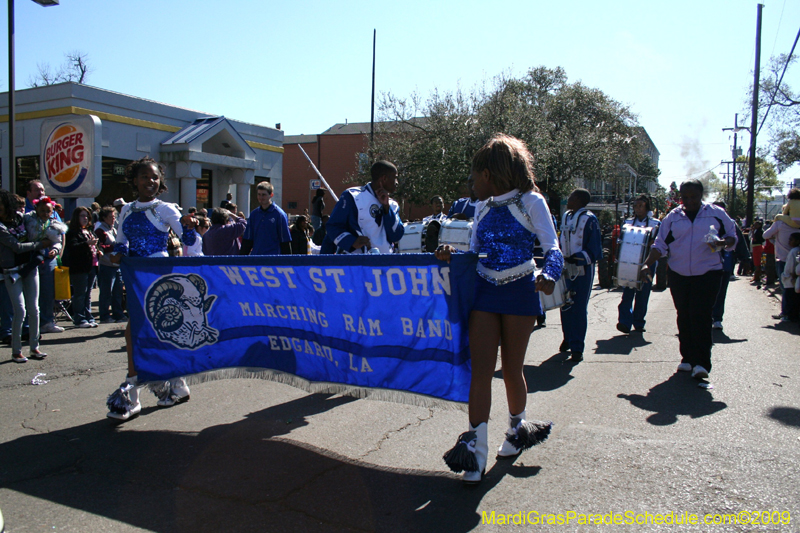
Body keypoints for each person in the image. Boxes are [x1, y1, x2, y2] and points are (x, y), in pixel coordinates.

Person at [436, 134, 561, 484]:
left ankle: (518, 429)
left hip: (521, 290)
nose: (471, 183)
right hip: (485, 291)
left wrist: (549, 275)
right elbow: (474, 254)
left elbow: (553, 247)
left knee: (511, 370)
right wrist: (451, 254)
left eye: (474, 176)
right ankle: (475, 455)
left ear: (488, 174)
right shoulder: (481, 208)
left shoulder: (531, 201)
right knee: (480, 372)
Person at [105, 157, 200, 421]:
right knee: (152, 333)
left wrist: (189, 226)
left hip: (159, 278)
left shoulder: (166, 208)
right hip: (135, 278)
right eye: (145, 176)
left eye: (155, 177)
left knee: (139, 333)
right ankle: (177, 385)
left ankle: (132, 392)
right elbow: (122, 243)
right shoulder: (126, 210)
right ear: (134, 180)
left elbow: (189, 239)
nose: (151, 181)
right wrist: (117, 254)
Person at [640, 179, 737, 382]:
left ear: (701, 195)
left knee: (700, 315)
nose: (689, 201)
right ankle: (687, 358)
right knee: (683, 314)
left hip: (708, 273)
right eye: (685, 197)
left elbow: (732, 236)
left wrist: (722, 243)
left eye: (693, 197)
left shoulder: (716, 214)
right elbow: (660, 244)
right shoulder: (672, 217)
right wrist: (648, 263)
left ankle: (702, 363)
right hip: (679, 273)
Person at [0, 189, 52, 362]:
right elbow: (16, 246)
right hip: (11, 271)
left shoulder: (21, 218)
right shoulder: (0, 227)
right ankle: (16, 351)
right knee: (20, 310)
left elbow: (42, 220)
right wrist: (39, 245)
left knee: (34, 309)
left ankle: (34, 347)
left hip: (30, 267)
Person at [321, 161, 405, 254]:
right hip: (355, 261)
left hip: (383, 262)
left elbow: (396, 236)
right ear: (384, 178)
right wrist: (351, 241)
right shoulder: (352, 196)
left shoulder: (392, 205)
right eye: (395, 178)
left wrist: (386, 207)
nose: (397, 182)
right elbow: (333, 226)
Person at [559, 188, 603, 362]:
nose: (568, 199)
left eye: (570, 196)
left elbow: (595, 249)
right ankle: (567, 338)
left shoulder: (590, 219)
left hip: (582, 269)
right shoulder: (566, 216)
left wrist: (577, 258)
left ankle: (577, 346)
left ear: (577, 199)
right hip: (565, 267)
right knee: (565, 304)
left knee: (578, 307)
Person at [616, 195, 660, 334]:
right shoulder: (627, 222)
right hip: (629, 262)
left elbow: (657, 243)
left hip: (647, 262)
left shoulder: (655, 223)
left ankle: (639, 322)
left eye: (640, 205)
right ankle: (624, 322)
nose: (637, 208)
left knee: (643, 293)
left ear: (646, 206)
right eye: (635, 206)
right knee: (627, 292)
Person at [23, 197, 67, 334]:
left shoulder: (54, 224)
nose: (45, 213)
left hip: (48, 260)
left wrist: (55, 249)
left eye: (48, 211)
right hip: (31, 259)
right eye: (42, 210)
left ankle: (47, 322)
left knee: (48, 293)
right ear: (36, 209)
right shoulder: (28, 220)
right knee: (30, 293)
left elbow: (57, 241)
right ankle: (27, 324)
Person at [711, 201, 750, 330]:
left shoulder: (731, 224)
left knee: (721, 291)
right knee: (705, 292)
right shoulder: (704, 223)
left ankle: (717, 318)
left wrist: (745, 258)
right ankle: (705, 317)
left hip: (725, 263)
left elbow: (738, 241)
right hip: (705, 264)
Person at [764, 189, 800, 322]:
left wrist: (774, 239)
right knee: (796, 288)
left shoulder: (780, 222)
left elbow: (765, 235)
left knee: (786, 288)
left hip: (783, 259)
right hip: (798, 259)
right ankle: (793, 313)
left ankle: (786, 313)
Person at [64, 207, 101, 328]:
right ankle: (79, 318)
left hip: (92, 265)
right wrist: (86, 244)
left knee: (88, 293)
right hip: (79, 267)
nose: (85, 218)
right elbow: (72, 247)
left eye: (87, 216)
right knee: (80, 293)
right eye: (82, 216)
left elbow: (96, 245)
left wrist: (98, 250)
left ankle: (88, 316)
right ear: (76, 217)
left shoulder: (89, 230)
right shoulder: (72, 232)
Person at [240, 181, 292, 255]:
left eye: (264, 195)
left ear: (271, 195)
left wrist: (286, 263)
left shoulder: (279, 215)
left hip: (273, 259)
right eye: (259, 194)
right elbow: (248, 239)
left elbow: (285, 241)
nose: (261, 198)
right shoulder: (254, 214)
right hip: (256, 257)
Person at [94, 206, 126, 324]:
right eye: (110, 217)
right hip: (106, 264)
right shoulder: (100, 230)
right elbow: (99, 246)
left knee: (117, 292)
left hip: (116, 265)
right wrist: (113, 247)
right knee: (106, 292)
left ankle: (118, 314)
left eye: (114, 216)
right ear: (104, 218)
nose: (113, 219)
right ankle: (104, 315)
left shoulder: (114, 229)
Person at [779, 232, 800, 323]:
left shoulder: (793, 251)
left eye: (791, 240)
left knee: (790, 299)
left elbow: (790, 266)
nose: (789, 242)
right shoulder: (796, 250)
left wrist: (785, 276)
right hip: (792, 279)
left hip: (790, 280)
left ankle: (790, 316)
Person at [750, 219, 765, 287]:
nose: (754, 225)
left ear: (759, 225)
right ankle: (756, 276)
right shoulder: (758, 231)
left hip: (757, 247)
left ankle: (757, 277)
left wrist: (753, 232)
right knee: (755, 262)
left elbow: (755, 239)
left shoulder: (759, 232)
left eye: (756, 224)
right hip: (755, 247)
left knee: (757, 263)